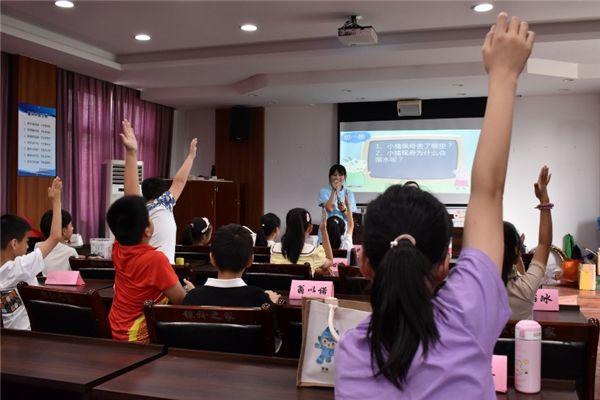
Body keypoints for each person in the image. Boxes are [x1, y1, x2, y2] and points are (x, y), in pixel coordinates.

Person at [335, 12, 535, 399]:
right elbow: (488, 191)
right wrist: (504, 76)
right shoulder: (467, 318)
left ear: (363, 262)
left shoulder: (349, 354)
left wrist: (504, 77)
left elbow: (486, 191)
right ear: (447, 260)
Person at [106, 195, 194, 343]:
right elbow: (180, 300)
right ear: (147, 231)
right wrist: (190, 291)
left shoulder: (117, 248)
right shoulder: (155, 260)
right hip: (136, 336)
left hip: (112, 327)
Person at [120, 119, 198, 264]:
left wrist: (131, 153)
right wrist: (191, 156)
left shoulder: (140, 210)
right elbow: (179, 181)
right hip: (163, 270)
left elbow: (130, 195)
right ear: (163, 193)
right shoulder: (164, 203)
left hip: (140, 268)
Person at [0, 177, 63, 329]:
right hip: (30, 335)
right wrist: (56, 199)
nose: (28, 246)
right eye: (27, 241)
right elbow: (55, 237)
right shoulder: (20, 267)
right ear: (14, 244)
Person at [184, 224, 280, 307]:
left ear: (212, 258)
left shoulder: (192, 299)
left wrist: (195, 293)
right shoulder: (260, 300)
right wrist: (272, 304)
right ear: (250, 260)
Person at [503, 165, 553, 320]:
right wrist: (544, 199)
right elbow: (544, 244)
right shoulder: (525, 290)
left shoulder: (476, 291)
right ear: (516, 252)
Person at [271, 207, 333, 276]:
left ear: (287, 227)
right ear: (310, 228)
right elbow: (330, 260)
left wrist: (314, 271)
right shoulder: (312, 252)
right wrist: (323, 229)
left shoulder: (273, 249)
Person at [35, 209, 78, 276]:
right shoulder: (71, 252)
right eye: (71, 225)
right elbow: (77, 276)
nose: (73, 228)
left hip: (38, 286)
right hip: (63, 286)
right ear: (64, 231)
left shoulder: (37, 246)